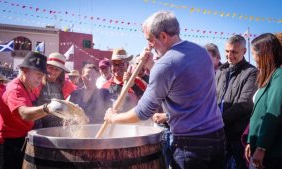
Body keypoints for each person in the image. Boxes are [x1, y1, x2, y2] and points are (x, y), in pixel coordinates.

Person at [104, 11, 225, 169]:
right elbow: (181, 84)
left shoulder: (165, 65)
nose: (150, 46)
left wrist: (113, 118)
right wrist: (151, 66)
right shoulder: (201, 52)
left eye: (150, 40)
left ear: (163, 36)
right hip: (217, 137)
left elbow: (143, 113)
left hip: (191, 145)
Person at [0, 52, 59, 169]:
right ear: (24, 71)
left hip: (21, 142)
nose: (40, 79)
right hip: (8, 145)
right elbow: (24, 114)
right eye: (38, 74)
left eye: (42, 75)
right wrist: (47, 108)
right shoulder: (15, 89)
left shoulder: (29, 88)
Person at [215, 35, 258, 169]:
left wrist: (218, 121)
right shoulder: (221, 70)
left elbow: (244, 104)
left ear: (244, 51)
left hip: (236, 136)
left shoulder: (252, 72)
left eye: (234, 52)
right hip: (218, 133)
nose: (229, 55)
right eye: (227, 51)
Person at [244, 33, 282, 169]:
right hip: (260, 144)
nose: (253, 58)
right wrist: (250, 140)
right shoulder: (268, 76)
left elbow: (274, 112)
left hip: (272, 152)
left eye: (254, 53)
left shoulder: (279, 75)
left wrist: (262, 147)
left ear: (265, 54)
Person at [33, 52, 76, 128]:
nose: (53, 71)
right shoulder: (37, 82)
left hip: (58, 127)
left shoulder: (67, 85)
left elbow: (72, 105)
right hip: (37, 125)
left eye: (57, 69)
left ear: (61, 72)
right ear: (46, 67)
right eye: (50, 67)